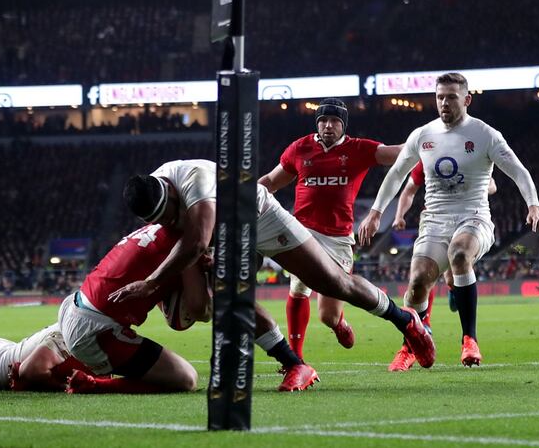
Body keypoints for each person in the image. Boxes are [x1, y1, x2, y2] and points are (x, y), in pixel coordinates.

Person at [115, 159, 437, 383]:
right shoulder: (156, 198)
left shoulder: (193, 181)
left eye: (170, 214)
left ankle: (405, 320)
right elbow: (193, 240)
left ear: (171, 193)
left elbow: (197, 240)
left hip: (260, 218)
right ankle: (294, 365)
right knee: (229, 298)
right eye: (161, 220)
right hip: (227, 232)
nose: (169, 222)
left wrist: (152, 283)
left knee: (333, 282)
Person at [359, 72, 539, 368]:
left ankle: (469, 340)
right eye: (439, 97)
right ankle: (412, 345)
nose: (444, 103)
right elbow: (397, 174)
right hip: (435, 220)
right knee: (418, 282)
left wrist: (533, 206)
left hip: (474, 217)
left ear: (467, 99)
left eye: (451, 97)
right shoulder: (423, 135)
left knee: (460, 254)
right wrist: (376, 212)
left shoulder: (485, 134)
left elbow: (519, 171)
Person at [60, 223, 319, 393]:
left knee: (41, 368)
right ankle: (98, 386)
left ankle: (22, 364)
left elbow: (178, 315)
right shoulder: (190, 239)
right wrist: (209, 271)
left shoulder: (161, 228)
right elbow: (199, 310)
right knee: (185, 378)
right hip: (98, 330)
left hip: (75, 308)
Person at [258, 97, 403, 359]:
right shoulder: (300, 148)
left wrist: (430, 140)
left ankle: (338, 323)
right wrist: (245, 195)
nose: (327, 126)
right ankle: (295, 359)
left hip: (337, 238)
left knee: (327, 315)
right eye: (323, 120)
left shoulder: (358, 149)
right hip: (301, 232)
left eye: (334, 121)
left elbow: (398, 153)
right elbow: (271, 180)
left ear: (343, 125)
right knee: (298, 289)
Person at [388, 161, 497, 370]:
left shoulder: (471, 155)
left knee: (454, 271)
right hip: (435, 223)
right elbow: (409, 189)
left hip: (467, 220)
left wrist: (479, 188)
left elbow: (492, 184)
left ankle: (459, 314)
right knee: (421, 279)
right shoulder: (429, 156)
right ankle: (412, 342)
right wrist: (399, 215)